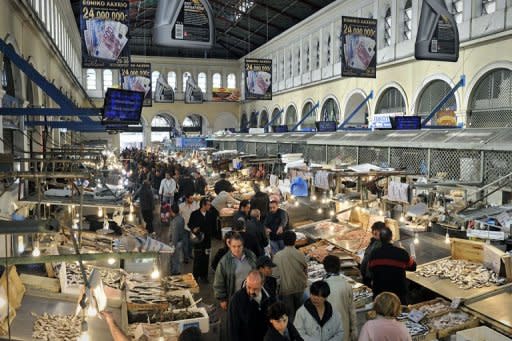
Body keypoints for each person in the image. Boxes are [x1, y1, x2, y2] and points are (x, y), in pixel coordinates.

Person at [368, 227, 417, 304]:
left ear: (380, 238)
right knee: (399, 313)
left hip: (379, 294)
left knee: (381, 313)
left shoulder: (374, 254)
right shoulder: (402, 253)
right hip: (398, 295)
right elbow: (413, 267)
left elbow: (370, 270)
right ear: (391, 237)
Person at [228, 270, 276, 341]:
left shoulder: (269, 296)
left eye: (255, 289)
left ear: (262, 284)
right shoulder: (236, 300)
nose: (251, 291)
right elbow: (232, 328)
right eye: (249, 287)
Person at [213, 232, 257, 310]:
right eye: (234, 246)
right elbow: (219, 282)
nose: (236, 249)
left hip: (251, 296)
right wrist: (222, 299)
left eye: (239, 246)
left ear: (243, 245)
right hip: (234, 298)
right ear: (229, 246)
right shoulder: (224, 262)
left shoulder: (251, 256)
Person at [273, 231, 307, 323]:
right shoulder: (300, 254)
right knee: (301, 314)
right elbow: (305, 269)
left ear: (283, 241)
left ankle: (292, 334)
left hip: (286, 290)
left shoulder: (278, 256)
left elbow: (275, 275)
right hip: (299, 288)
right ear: (295, 240)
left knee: (290, 315)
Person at [323, 255, 357, 341]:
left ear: (325, 268)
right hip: (344, 327)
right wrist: (354, 329)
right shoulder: (347, 285)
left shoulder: (322, 285)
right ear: (339, 267)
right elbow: (352, 310)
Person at [189, 198, 213, 283]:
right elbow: (190, 224)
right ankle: (195, 277)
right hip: (198, 242)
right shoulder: (195, 214)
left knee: (206, 259)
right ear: (203, 205)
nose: (210, 206)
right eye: (208, 205)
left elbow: (213, 227)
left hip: (207, 241)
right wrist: (193, 229)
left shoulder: (210, 215)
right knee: (197, 259)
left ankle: (204, 276)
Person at [360, 221, 385, 287]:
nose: (374, 233)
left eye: (376, 232)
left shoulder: (382, 245)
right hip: (366, 276)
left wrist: (373, 279)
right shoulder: (373, 242)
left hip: (372, 278)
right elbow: (367, 257)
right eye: (373, 231)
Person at [179, 194, 199, 263]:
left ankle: (190, 254)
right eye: (190, 199)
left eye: (192, 198)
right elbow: (178, 216)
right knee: (185, 243)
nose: (192, 200)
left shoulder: (195, 205)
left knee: (191, 243)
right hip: (184, 228)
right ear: (186, 199)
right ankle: (185, 257)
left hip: (192, 228)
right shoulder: (181, 206)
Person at [168, 204, 185, 275]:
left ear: (172, 211)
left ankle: (175, 274)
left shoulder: (175, 221)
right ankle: (177, 271)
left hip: (175, 243)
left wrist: (173, 246)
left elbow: (174, 235)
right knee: (177, 259)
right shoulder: (181, 218)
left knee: (174, 260)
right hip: (180, 241)